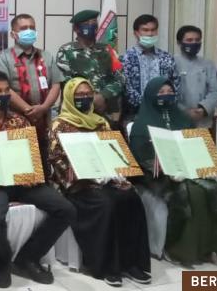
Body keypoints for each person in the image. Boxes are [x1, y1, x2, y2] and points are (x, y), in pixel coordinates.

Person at [0, 70, 76, 288]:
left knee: (66, 209)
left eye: (6, 91)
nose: (3, 95)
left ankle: (28, 257)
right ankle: (2, 263)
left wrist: (32, 174)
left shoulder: (21, 121)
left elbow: (32, 157)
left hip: (22, 181)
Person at [47, 77, 151, 287]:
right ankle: (106, 265)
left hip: (107, 177)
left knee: (131, 198)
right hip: (79, 184)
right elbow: (58, 160)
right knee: (106, 204)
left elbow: (114, 151)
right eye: (79, 95)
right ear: (68, 97)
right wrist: (87, 178)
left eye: (88, 94)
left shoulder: (101, 122)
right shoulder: (60, 124)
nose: (85, 99)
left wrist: (119, 176)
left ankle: (130, 262)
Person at [129, 77, 217, 265]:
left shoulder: (182, 117)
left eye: (169, 92)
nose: (166, 96)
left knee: (213, 189)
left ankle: (210, 248)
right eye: (161, 93)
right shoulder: (141, 124)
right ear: (151, 96)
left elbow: (194, 144)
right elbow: (140, 157)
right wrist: (161, 165)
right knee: (190, 193)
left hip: (187, 167)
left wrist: (204, 162)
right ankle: (179, 250)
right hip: (155, 175)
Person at [0, 14, 63, 166]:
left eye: (32, 28)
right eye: (24, 28)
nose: (29, 31)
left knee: (43, 162)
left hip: (44, 120)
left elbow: (56, 84)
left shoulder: (46, 55)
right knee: (19, 164)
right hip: (14, 121)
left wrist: (43, 108)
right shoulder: (4, 58)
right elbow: (3, 88)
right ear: (13, 34)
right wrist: (28, 110)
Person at [56, 10, 124, 126]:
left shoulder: (108, 49)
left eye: (94, 23)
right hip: (77, 113)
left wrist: (103, 96)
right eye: (87, 23)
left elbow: (120, 78)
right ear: (76, 29)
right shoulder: (66, 50)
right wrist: (91, 98)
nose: (92, 26)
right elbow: (66, 83)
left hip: (107, 111)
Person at [121, 14, 180, 124]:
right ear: (136, 33)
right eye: (145, 30)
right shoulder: (127, 58)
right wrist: (150, 104)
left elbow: (175, 84)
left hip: (164, 115)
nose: (150, 33)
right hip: (135, 117)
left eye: (153, 30)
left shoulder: (166, 57)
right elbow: (126, 89)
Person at [174, 25, 217, 129]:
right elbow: (168, 92)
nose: (194, 43)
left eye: (197, 40)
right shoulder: (171, 63)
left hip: (202, 121)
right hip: (178, 120)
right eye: (189, 40)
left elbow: (216, 91)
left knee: (201, 145)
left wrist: (203, 108)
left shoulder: (207, 64)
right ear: (179, 42)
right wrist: (185, 111)